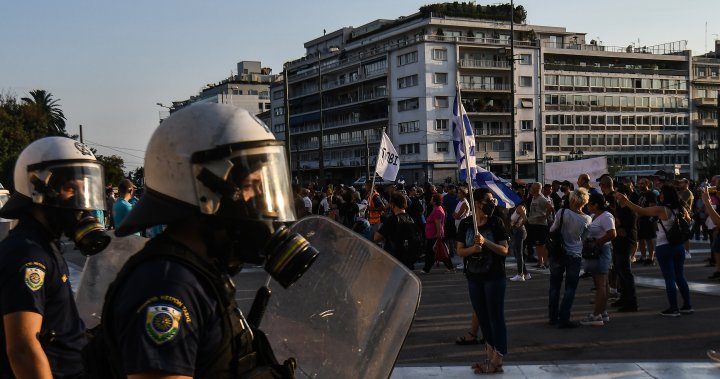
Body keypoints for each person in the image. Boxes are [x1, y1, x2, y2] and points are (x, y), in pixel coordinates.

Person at [96, 103, 298, 377]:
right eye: (251, 186)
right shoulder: (166, 285)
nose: (261, 202)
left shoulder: (200, 273)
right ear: (205, 191)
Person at [0, 136, 111, 378]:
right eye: (71, 189)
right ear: (39, 190)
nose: (81, 204)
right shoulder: (28, 254)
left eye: (85, 190)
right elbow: (22, 349)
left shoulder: (44, 244)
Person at [616, 184, 693, 317]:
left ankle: (673, 308)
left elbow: (641, 211)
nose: (660, 196)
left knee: (669, 278)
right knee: (680, 276)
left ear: (666, 195)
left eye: (662, 193)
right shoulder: (680, 208)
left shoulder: (662, 209)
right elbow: (689, 221)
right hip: (678, 246)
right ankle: (687, 305)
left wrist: (626, 201)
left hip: (665, 247)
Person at [456, 188, 509, 374]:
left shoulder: (496, 222)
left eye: (493, 199)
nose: (492, 202)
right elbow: (460, 250)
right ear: (477, 202)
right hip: (474, 276)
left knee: (496, 317)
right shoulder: (466, 224)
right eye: (488, 199)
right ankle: (489, 355)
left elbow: (504, 250)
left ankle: (498, 358)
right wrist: (473, 250)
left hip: (494, 276)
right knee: (483, 317)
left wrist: (486, 242)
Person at [548, 188, 592, 329]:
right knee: (570, 288)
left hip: (558, 252)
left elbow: (552, 230)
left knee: (555, 286)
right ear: (584, 202)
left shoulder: (562, 213)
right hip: (575, 254)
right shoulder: (587, 219)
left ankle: (553, 316)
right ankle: (564, 317)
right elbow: (584, 238)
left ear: (572, 199)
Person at [580, 193, 616, 326]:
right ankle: (602, 311)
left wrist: (597, 242)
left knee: (601, 285)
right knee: (602, 284)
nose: (587, 206)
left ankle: (596, 315)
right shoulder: (595, 216)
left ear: (595, 205)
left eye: (589, 204)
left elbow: (612, 233)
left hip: (601, 251)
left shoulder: (606, 216)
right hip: (596, 252)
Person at [374, 192, 421, 269]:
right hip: (408, 259)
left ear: (392, 205)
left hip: (395, 260)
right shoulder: (410, 218)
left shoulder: (392, 220)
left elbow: (376, 237)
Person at [421, 193, 454, 273]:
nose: (430, 200)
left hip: (435, 235)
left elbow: (438, 224)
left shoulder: (437, 210)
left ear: (435, 202)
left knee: (436, 252)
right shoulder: (437, 209)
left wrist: (438, 235)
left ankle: (426, 269)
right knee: (435, 252)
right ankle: (450, 268)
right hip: (433, 235)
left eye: (432, 199)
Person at [526, 182, 554, 268]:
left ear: (537, 189)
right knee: (538, 244)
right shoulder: (534, 197)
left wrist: (545, 216)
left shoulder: (541, 198)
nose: (530, 189)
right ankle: (540, 262)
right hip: (534, 223)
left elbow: (550, 208)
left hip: (540, 225)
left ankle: (546, 263)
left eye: (532, 188)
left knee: (542, 244)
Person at [636, 178, 658, 265]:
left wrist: (643, 213)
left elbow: (652, 207)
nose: (640, 185)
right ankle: (643, 256)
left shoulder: (651, 194)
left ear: (647, 184)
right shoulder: (640, 194)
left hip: (648, 219)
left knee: (649, 239)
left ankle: (651, 258)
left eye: (642, 183)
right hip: (640, 219)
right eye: (639, 184)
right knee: (640, 239)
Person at [508, 199, 529, 281]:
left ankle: (520, 274)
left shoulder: (520, 207)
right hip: (519, 231)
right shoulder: (519, 207)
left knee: (518, 253)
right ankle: (526, 273)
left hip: (519, 232)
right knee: (518, 253)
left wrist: (519, 225)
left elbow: (525, 219)